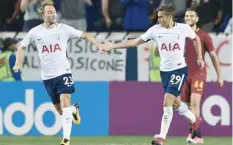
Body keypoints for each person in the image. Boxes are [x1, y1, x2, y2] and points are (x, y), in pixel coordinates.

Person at [101, 3, 204, 145]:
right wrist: (113, 45)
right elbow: (136, 42)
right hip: (165, 72)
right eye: (158, 17)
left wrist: (199, 56)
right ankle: (194, 120)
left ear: (169, 17)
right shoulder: (155, 30)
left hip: (179, 70)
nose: (158, 19)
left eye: (161, 17)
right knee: (176, 103)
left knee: (167, 101)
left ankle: (161, 138)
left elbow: (196, 39)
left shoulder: (183, 28)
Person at [13, 0, 104, 145]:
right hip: (47, 77)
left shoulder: (63, 29)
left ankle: (66, 139)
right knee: (62, 111)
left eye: (54, 12)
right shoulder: (35, 32)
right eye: (49, 12)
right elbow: (21, 47)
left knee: (65, 102)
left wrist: (98, 44)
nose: (53, 14)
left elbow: (85, 35)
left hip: (64, 73)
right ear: (42, 14)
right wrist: (18, 62)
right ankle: (74, 110)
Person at [182, 7, 224, 144]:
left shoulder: (204, 35)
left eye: (191, 16)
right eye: (187, 16)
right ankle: (193, 133)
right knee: (187, 105)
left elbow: (213, 56)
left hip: (198, 73)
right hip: (183, 74)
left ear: (197, 19)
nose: (188, 18)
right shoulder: (180, 35)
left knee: (195, 102)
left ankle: (197, 136)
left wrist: (219, 76)